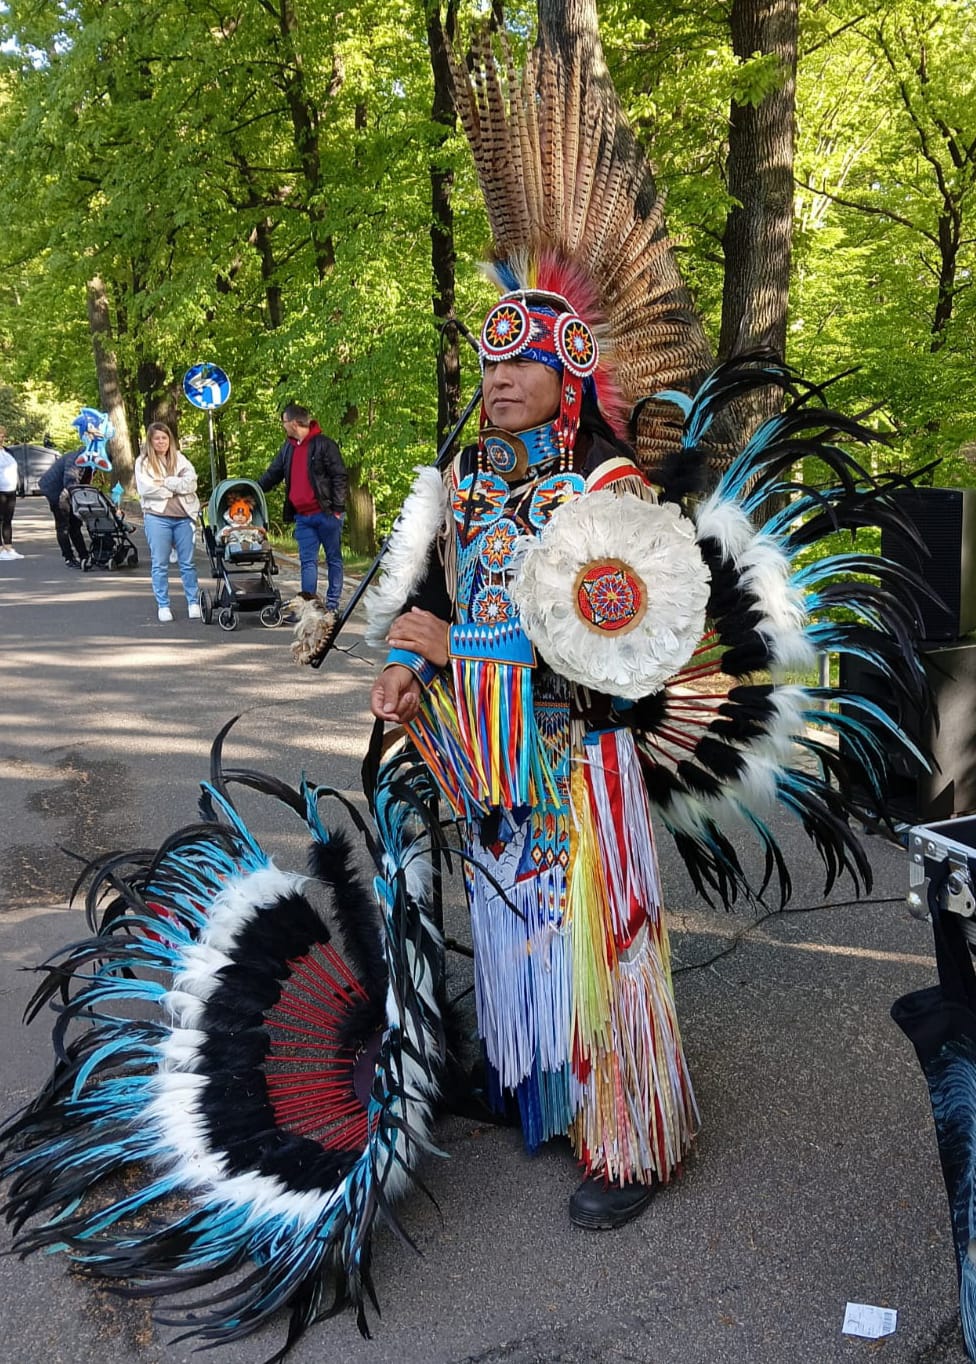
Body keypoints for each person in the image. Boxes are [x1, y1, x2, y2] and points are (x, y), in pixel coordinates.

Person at [369, 295, 698, 1231]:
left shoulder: (608, 485)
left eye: (521, 364)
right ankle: (539, 1084)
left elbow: (616, 646)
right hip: (486, 750)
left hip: (581, 752)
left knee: (600, 935)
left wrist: (456, 649)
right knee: (514, 922)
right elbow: (440, 589)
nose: (499, 380)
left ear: (569, 378)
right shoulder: (468, 474)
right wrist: (405, 666)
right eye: (489, 364)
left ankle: (631, 1137)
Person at [256, 403, 347, 611]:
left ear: (294, 423)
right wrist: (252, 489)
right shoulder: (288, 448)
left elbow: (339, 476)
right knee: (307, 562)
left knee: (333, 559)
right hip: (303, 517)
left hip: (326, 513)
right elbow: (273, 474)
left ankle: (332, 605)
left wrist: (337, 509)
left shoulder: (324, 445)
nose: (283, 426)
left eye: (284, 422)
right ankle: (308, 608)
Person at [134, 422, 201, 622]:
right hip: (157, 517)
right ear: (151, 441)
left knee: (187, 563)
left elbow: (192, 483)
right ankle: (163, 605)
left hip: (183, 517)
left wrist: (165, 481)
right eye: (157, 438)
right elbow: (146, 489)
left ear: (169, 439)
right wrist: (175, 488)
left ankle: (193, 602)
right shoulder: (143, 462)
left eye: (164, 437)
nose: (161, 441)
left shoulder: (180, 458)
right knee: (160, 563)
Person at [37, 449, 93, 568]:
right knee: (64, 525)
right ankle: (69, 558)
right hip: (55, 490)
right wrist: (80, 497)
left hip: (67, 490)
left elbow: (84, 480)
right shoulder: (75, 459)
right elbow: (70, 481)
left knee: (75, 524)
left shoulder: (89, 461)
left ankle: (84, 555)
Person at [0, 427, 22, 561]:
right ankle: (0, 549)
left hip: (11, 489)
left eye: (2, 436)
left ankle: (8, 547)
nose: (1, 438)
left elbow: (15, 469)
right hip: (0, 490)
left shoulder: (8, 452)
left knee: (8, 519)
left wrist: (20, 485)